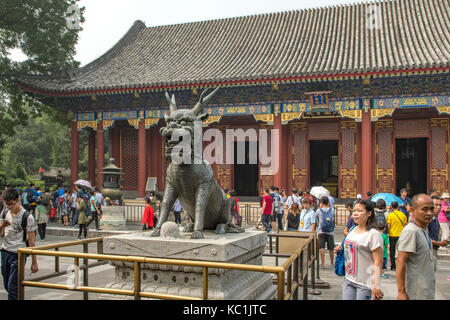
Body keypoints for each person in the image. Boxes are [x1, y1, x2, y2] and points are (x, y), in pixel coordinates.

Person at [334, 199, 384, 300]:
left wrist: (375, 285)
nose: (355, 214)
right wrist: (339, 249)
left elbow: (378, 262)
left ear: (369, 213)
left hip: (365, 283)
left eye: (359, 211)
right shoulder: (352, 229)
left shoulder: (373, 234)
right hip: (348, 280)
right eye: (354, 211)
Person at [0, 188, 39, 300]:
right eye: (7, 204)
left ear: (18, 200)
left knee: (13, 288)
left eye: (11, 204)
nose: (9, 207)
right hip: (5, 252)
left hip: (19, 254)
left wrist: (34, 262)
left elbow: (31, 241)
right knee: (8, 285)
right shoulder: (5, 212)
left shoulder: (27, 217)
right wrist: (2, 226)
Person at [396, 194, 436, 300]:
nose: (429, 213)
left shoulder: (423, 229)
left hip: (426, 290)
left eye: (432, 209)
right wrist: (401, 292)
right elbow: (400, 261)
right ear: (413, 210)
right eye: (425, 209)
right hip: (415, 292)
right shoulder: (411, 231)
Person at [386, 201, 408, 271]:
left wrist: (387, 233)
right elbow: (405, 225)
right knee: (401, 250)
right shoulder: (402, 214)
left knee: (392, 251)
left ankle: (393, 265)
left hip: (392, 234)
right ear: (398, 207)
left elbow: (389, 226)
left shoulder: (390, 215)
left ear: (391, 207)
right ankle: (401, 264)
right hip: (401, 234)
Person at [316, 196, 335, 268]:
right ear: (328, 202)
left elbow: (316, 218)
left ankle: (323, 263)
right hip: (330, 231)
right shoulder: (332, 210)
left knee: (322, 247)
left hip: (321, 230)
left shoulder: (318, 210)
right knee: (331, 248)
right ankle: (332, 262)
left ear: (321, 202)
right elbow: (333, 217)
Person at [429, 196, 448, 267]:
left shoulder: (436, 219)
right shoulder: (427, 220)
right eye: (436, 205)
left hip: (434, 249)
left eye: (440, 205)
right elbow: (423, 238)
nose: (438, 207)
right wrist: (440, 243)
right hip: (427, 250)